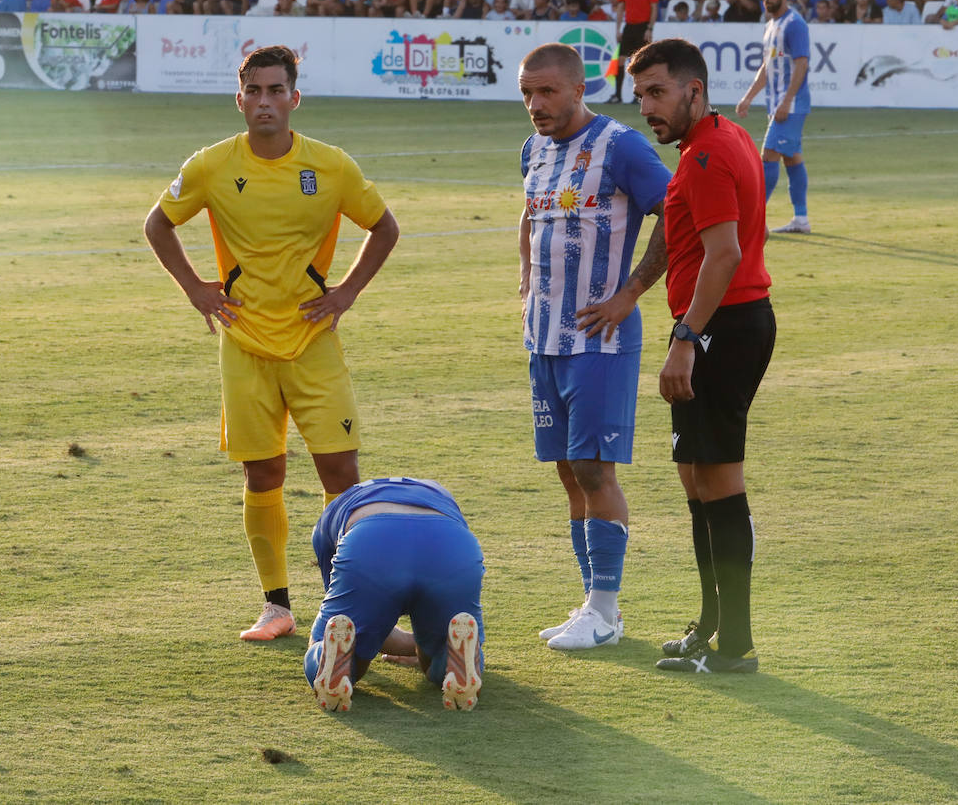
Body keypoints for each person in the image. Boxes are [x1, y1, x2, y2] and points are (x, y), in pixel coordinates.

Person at [143, 46, 399, 643]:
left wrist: (346, 293)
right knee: (264, 472)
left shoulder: (330, 166)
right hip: (245, 342)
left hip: (313, 339)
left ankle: (348, 604)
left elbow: (383, 226)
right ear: (240, 99)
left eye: (275, 90)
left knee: (342, 471)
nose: (265, 102)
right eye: (254, 91)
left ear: (294, 98)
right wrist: (195, 289)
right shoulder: (210, 166)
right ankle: (276, 606)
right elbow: (158, 222)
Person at [626, 38, 775, 676]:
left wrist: (685, 338)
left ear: (694, 89)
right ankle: (713, 625)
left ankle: (735, 644)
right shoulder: (719, 138)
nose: (647, 109)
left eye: (657, 93)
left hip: (721, 326)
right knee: (697, 478)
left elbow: (725, 256)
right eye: (640, 97)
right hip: (722, 323)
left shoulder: (710, 155)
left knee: (717, 481)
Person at [517, 43, 671, 652]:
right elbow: (530, 214)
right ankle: (591, 604)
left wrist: (631, 291)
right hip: (544, 336)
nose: (536, 104)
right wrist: (526, 278)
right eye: (527, 92)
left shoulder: (621, 146)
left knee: (592, 469)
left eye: (548, 91)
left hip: (600, 340)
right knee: (567, 470)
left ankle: (606, 610)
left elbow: (675, 212)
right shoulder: (531, 149)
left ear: (580, 90)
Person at [305, 478, 484, 713]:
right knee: (435, 655)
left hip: (369, 540)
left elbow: (349, 627)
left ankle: (326, 659)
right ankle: (450, 653)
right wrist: (421, 646)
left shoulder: (330, 518)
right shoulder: (439, 493)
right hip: (452, 542)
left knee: (332, 642)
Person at [736, 0, 812, 235]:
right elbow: (767, 67)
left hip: (790, 105)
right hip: (778, 104)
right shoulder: (770, 25)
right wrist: (748, 97)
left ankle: (753, 220)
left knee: (768, 155)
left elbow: (802, 63)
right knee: (792, 158)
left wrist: (787, 100)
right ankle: (801, 219)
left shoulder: (795, 24)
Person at [612, 0, 659, 103]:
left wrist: (650, 28)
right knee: (620, 62)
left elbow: (654, 8)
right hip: (629, 27)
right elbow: (620, 8)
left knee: (639, 64)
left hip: (642, 26)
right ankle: (617, 95)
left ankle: (637, 96)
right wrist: (618, 29)